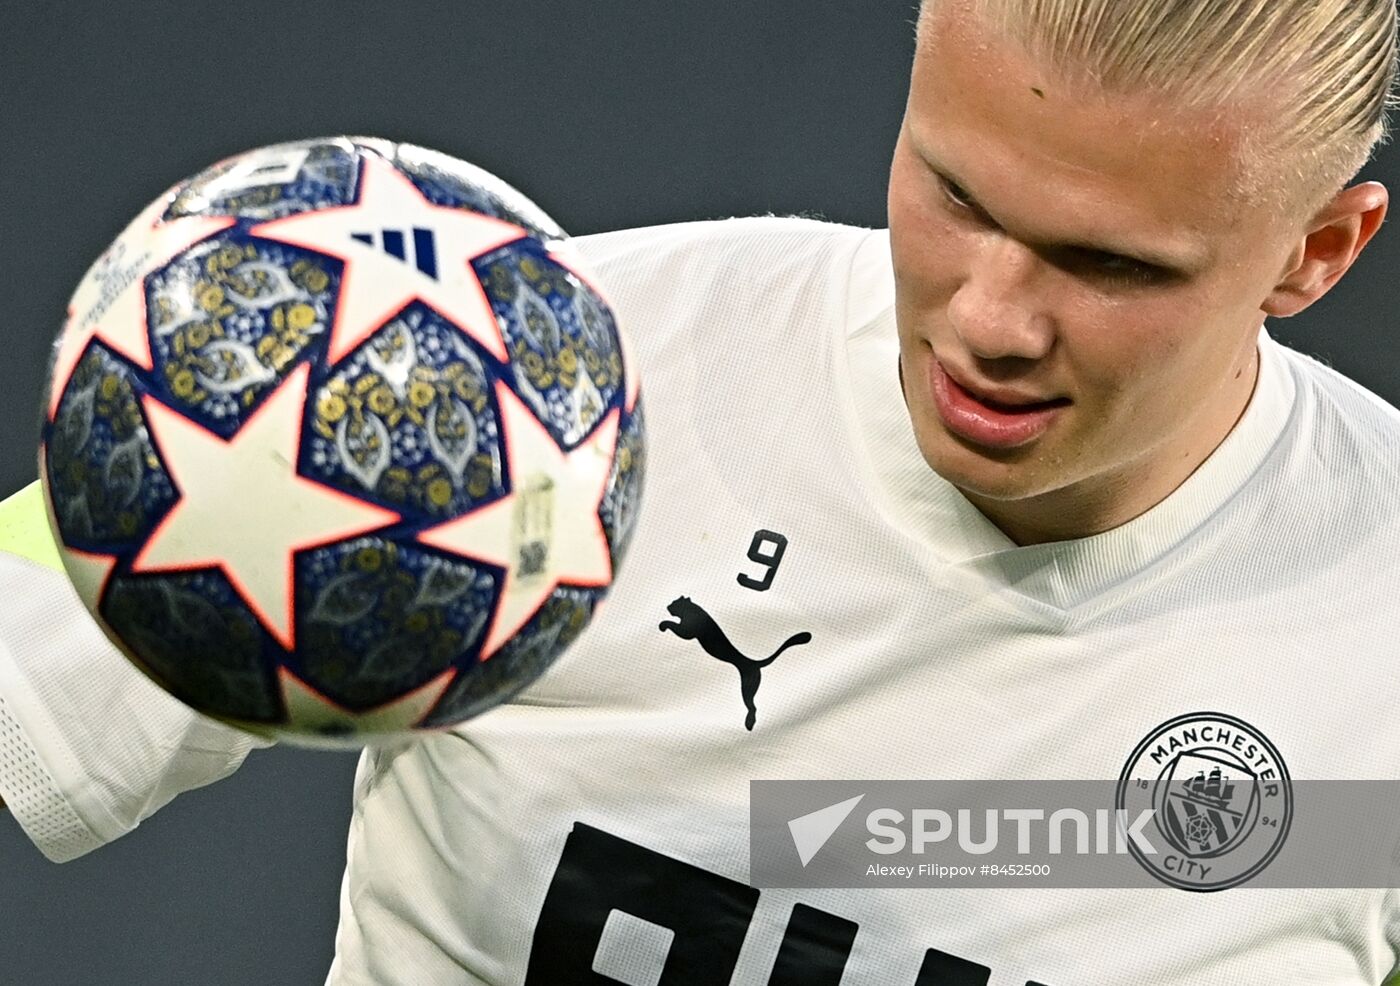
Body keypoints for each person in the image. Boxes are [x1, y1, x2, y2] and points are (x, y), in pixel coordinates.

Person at [3, 0, 1400, 981]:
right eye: (957, 196)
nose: (991, 319)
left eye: (1112, 266)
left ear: (1317, 252)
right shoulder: (531, 382)